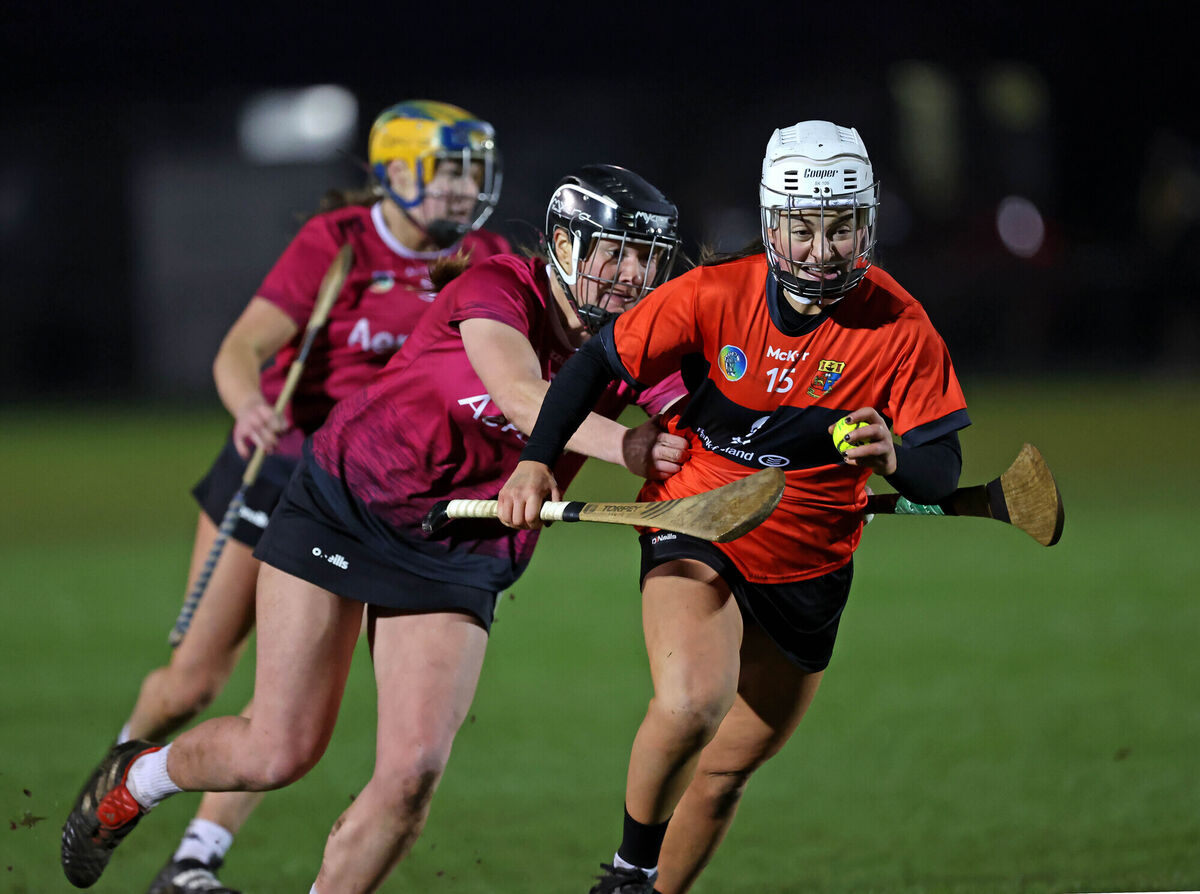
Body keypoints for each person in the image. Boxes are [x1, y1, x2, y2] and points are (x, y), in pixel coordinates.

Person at [61, 164, 691, 894]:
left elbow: (702, 421)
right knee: (278, 751)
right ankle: (137, 778)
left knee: (413, 774)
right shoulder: (497, 286)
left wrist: (810, 454)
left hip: (460, 544)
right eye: (612, 251)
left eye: (645, 257)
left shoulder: (640, 336)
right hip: (348, 503)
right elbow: (523, 396)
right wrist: (628, 446)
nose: (630, 274)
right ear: (561, 244)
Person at [499, 120, 971, 894]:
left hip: (811, 558)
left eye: (840, 228)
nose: (821, 251)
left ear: (867, 224)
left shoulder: (901, 328)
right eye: (802, 228)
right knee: (691, 704)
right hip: (697, 518)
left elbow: (940, 470)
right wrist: (534, 461)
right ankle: (625, 875)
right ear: (770, 221)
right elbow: (593, 363)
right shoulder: (716, 295)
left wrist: (896, 456)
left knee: (725, 772)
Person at [70, 99, 509, 894]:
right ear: (396, 173)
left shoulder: (484, 259)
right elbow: (242, 348)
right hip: (283, 472)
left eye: (472, 173)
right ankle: (117, 780)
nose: (462, 190)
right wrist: (248, 404)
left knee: (289, 714)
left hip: (388, 502)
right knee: (197, 680)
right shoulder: (337, 244)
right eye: (447, 171)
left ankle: (194, 861)